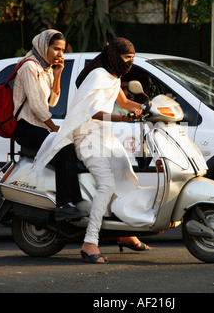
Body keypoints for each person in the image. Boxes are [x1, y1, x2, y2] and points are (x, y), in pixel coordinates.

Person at [33, 38, 149, 263]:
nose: (129, 62)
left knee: (125, 174)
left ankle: (123, 232)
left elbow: (124, 102)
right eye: (126, 58)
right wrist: (124, 118)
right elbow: (93, 113)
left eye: (132, 59)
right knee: (107, 184)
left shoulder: (113, 76)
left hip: (104, 136)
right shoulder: (97, 76)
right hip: (87, 137)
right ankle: (90, 242)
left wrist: (148, 107)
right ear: (114, 56)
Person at [12, 29, 84, 221]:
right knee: (63, 146)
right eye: (55, 49)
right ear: (44, 46)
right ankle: (64, 204)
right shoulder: (29, 67)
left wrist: (58, 74)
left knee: (69, 147)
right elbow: (36, 106)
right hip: (26, 127)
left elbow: (51, 102)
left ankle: (73, 201)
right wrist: (56, 129)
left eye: (62, 50)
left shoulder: (46, 68)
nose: (60, 54)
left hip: (39, 127)